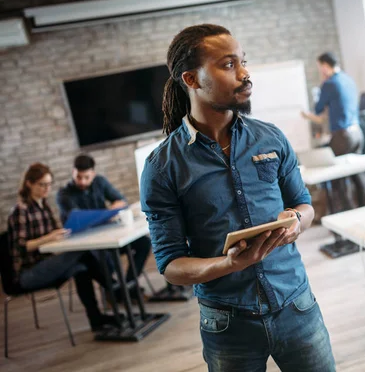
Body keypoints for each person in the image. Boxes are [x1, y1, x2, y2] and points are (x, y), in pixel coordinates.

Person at [140, 24, 335, 371]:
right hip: (228, 326)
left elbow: (305, 205)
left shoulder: (271, 138)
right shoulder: (162, 167)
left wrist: (295, 222)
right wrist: (227, 265)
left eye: (243, 62)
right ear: (192, 79)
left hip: (297, 306)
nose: (244, 74)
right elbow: (171, 266)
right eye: (228, 65)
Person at [6, 163, 119, 331]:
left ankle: (96, 319)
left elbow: (53, 236)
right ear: (29, 184)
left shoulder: (44, 207)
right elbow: (21, 247)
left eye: (49, 184)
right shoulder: (20, 210)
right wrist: (48, 238)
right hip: (27, 274)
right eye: (42, 184)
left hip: (46, 263)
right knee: (82, 253)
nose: (46, 189)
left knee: (82, 268)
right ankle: (116, 289)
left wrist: (64, 233)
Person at [56, 154, 151, 298]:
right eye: (78, 177)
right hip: (86, 244)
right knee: (97, 258)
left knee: (144, 243)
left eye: (86, 177)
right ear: (73, 173)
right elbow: (78, 218)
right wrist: (107, 213)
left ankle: (127, 286)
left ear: (93, 174)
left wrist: (107, 211)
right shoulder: (63, 194)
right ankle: (119, 292)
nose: (82, 181)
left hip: (108, 237)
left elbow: (121, 201)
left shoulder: (100, 182)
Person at [301, 52, 365, 210]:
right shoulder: (348, 79)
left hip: (343, 136)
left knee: (337, 178)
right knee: (356, 174)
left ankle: (347, 217)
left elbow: (318, 109)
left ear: (324, 66)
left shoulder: (329, 84)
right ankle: (364, 209)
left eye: (319, 67)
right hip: (357, 133)